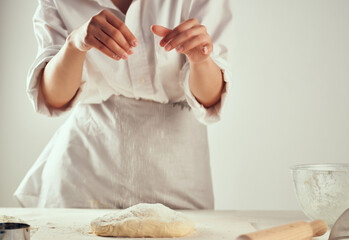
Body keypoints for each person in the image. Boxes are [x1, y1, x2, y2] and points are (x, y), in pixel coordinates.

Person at [14, 0, 233, 209]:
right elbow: (53, 98)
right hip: (85, 171)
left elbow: (210, 99)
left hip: (178, 170)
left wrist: (201, 61)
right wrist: (74, 44)